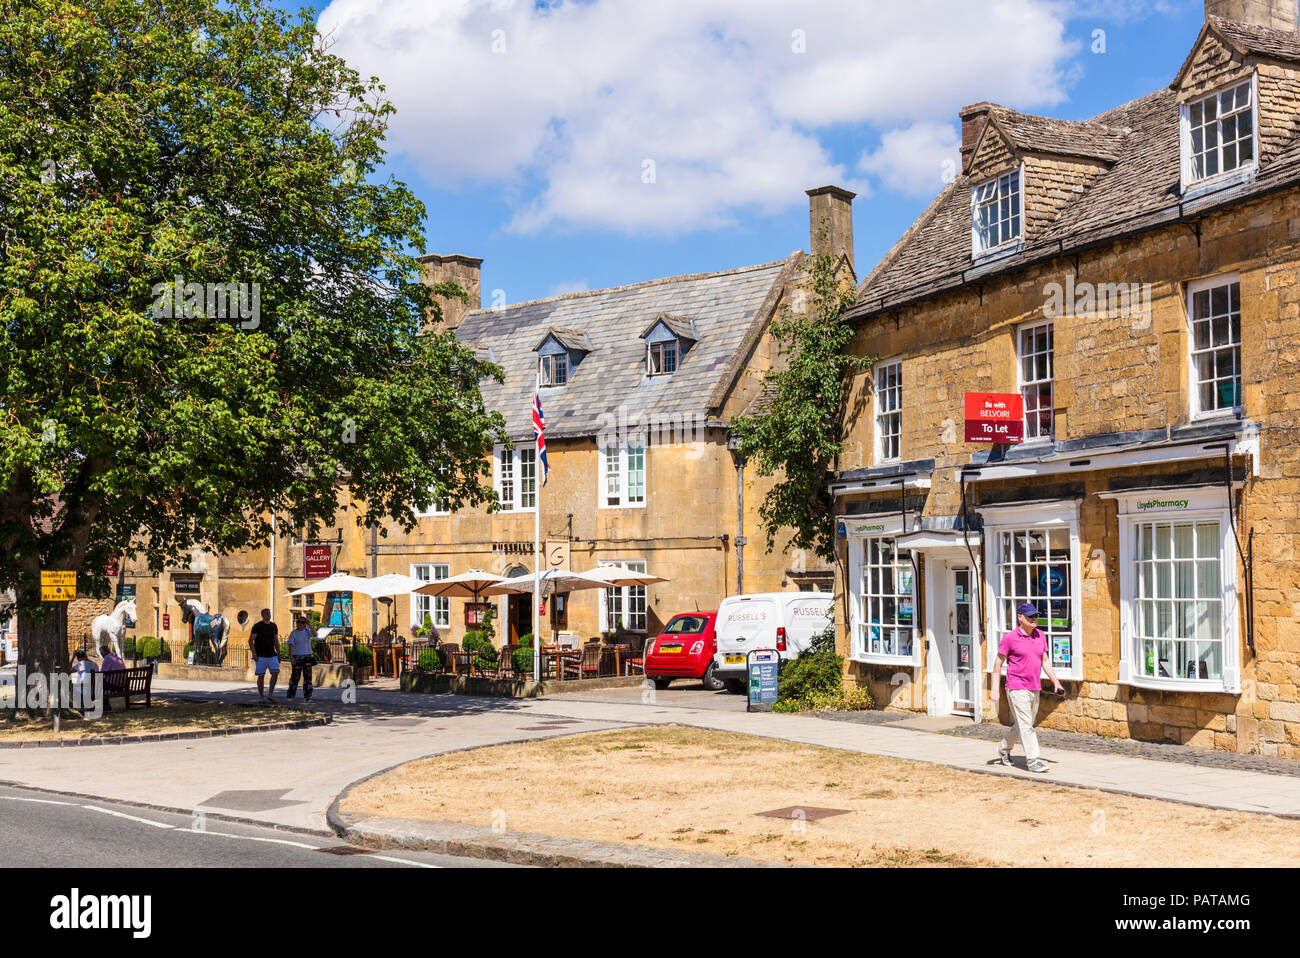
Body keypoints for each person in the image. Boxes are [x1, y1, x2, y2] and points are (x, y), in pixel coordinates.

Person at [992, 602, 1065, 773]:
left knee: (1024, 724)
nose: (1034, 619)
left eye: (1035, 616)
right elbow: (997, 664)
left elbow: (1044, 661)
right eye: (1030, 616)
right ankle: (1033, 761)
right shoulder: (1010, 638)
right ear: (1020, 617)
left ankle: (1003, 748)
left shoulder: (1040, 635)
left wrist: (1056, 682)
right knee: (1026, 725)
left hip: (1034, 686)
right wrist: (995, 689)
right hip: (1016, 686)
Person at [249, 608, 281, 704]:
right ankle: (261, 697)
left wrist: (279, 653)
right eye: (266, 613)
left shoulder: (273, 626)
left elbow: (276, 640)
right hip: (261, 656)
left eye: (269, 613)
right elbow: (250, 641)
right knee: (261, 676)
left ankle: (270, 694)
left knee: (275, 672)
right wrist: (254, 654)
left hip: (272, 654)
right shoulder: (257, 626)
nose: (268, 615)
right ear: (262, 615)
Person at [285, 615, 315, 702]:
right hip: (297, 656)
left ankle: (307, 696)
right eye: (299, 622)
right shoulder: (293, 633)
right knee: (295, 677)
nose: (300, 624)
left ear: (305, 624)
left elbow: (315, 634)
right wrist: (291, 657)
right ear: (296, 623)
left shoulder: (307, 631)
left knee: (308, 678)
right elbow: (290, 646)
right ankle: (290, 695)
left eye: (303, 622)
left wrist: (309, 624)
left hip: (307, 656)